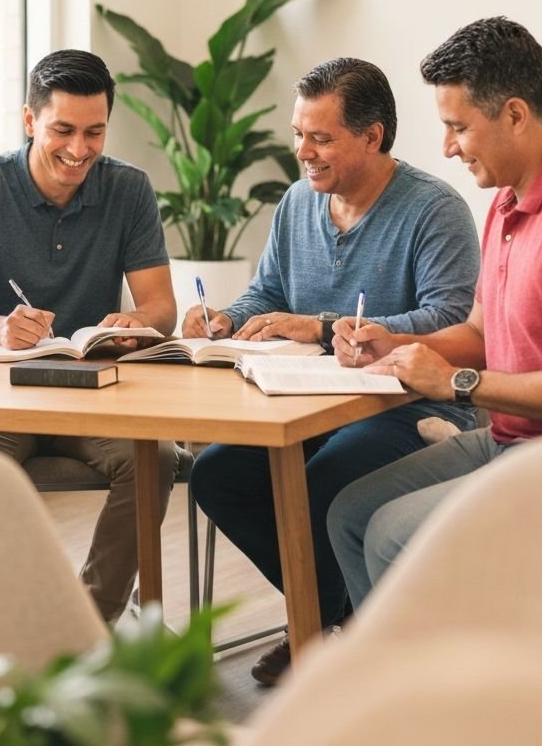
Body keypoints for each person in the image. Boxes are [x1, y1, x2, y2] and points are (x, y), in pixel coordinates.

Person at [184, 57, 480, 686]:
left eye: (321, 138)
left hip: (409, 404)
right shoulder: (297, 204)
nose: (303, 152)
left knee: (323, 480)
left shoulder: (435, 209)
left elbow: (453, 323)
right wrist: (224, 321)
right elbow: (266, 294)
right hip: (308, 400)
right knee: (216, 474)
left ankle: (314, 636)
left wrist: (319, 326)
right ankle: (327, 618)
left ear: (372, 137)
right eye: (299, 134)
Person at [327, 16, 542, 610]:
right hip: (513, 440)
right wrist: (392, 346)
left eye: (458, 127)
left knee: (391, 535)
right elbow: (482, 332)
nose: (446, 147)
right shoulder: (507, 199)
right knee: (350, 515)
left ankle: (449, 694)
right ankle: (395, 687)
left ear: (514, 114)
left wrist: (457, 384)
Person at [0, 48, 178, 622]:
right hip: (4, 396)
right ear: (29, 121)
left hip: (95, 390)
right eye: (62, 130)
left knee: (156, 460)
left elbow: (161, 306)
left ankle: (87, 624)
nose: (79, 149)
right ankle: (1, 623)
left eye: (95, 133)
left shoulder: (129, 189)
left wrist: (135, 322)